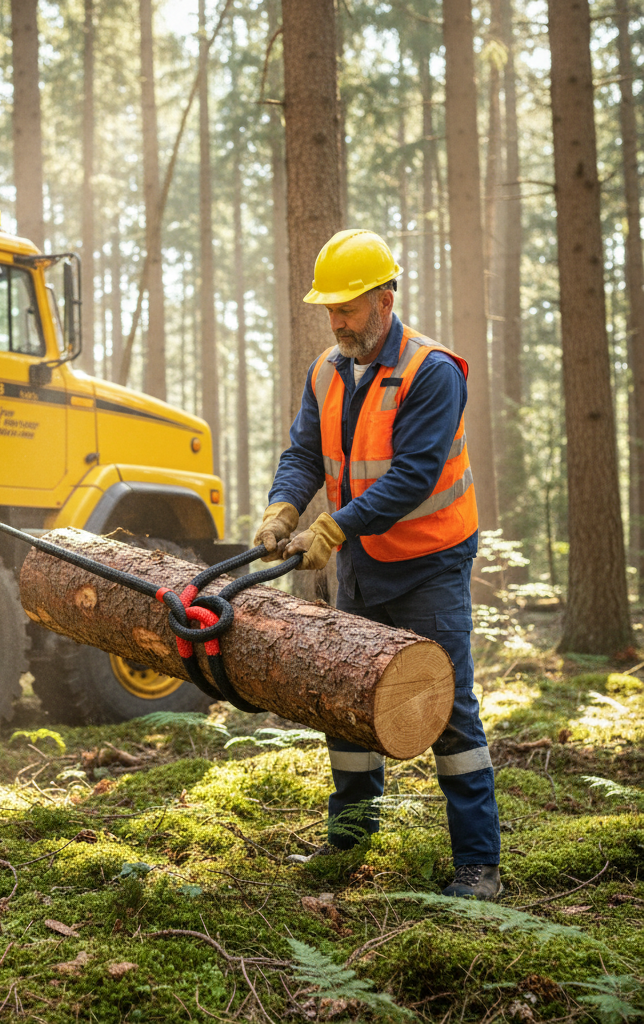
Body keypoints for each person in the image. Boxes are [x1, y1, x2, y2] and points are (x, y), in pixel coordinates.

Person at [254, 228, 502, 901]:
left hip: (429, 564)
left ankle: (479, 864)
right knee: (348, 702)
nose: (336, 321)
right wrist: (283, 510)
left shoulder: (433, 372)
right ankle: (350, 842)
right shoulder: (326, 370)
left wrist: (330, 527)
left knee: (446, 705)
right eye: (329, 309)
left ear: (385, 302)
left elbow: (414, 475)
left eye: (349, 308)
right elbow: (304, 453)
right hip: (362, 562)